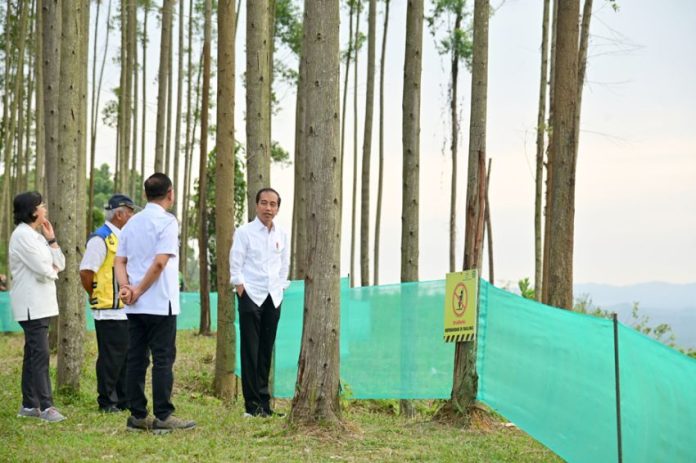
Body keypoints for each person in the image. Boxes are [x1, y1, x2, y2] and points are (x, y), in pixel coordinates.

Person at [114, 173, 195, 433]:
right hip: (160, 303)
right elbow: (160, 263)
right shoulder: (167, 222)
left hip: (135, 306)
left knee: (136, 359)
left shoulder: (131, 223)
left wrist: (126, 287)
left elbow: (119, 261)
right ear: (170, 193)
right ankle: (163, 416)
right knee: (162, 359)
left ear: (145, 194)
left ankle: (137, 416)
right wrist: (137, 289)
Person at [230, 187, 290, 417]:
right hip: (250, 296)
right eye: (264, 203)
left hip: (273, 297)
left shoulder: (281, 234)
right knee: (250, 351)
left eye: (273, 204)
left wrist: (280, 286)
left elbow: (284, 264)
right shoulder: (244, 232)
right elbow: (236, 262)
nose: (268, 208)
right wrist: (241, 288)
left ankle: (265, 404)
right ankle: (251, 406)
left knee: (266, 351)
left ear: (277, 208)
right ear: (256, 205)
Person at [9, 192, 66, 422]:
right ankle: (46, 406)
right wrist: (51, 269)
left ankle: (29, 405)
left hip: (42, 304)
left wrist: (51, 240)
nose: (45, 209)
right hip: (31, 305)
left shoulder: (37, 236)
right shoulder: (22, 236)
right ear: (33, 211)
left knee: (33, 354)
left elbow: (59, 263)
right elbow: (44, 270)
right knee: (40, 355)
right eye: (41, 205)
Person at [79, 194, 137, 413]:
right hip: (108, 310)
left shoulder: (123, 238)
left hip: (125, 309)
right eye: (130, 213)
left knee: (126, 357)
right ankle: (107, 401)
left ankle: (123, 399)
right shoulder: (100, 239)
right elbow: (86, 272)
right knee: (111, 358)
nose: (132, 217)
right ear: (119, 214)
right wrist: (94, 294)